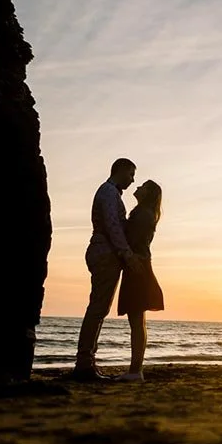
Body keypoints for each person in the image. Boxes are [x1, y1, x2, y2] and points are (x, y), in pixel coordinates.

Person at [72, 157, 144, 381]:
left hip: (105, 252)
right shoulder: (108, 193)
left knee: (99, 308)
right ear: (120, 170)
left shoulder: (111, 193)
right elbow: (114, 227)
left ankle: (86, 361)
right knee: (98, 308)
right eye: (131, 174)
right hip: (105, 253)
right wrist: (127, 255)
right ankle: (84, 363)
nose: (133, 180)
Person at [113, 179, 165, 382]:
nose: (137, 187)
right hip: (140, 264)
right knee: (138, 320)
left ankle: (135, 370)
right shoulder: (145, 213)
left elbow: (131, 240)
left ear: (148, 193)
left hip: (137, 265)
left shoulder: (143, 214)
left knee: (136, 319)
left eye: (143, 187)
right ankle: (136, 369)